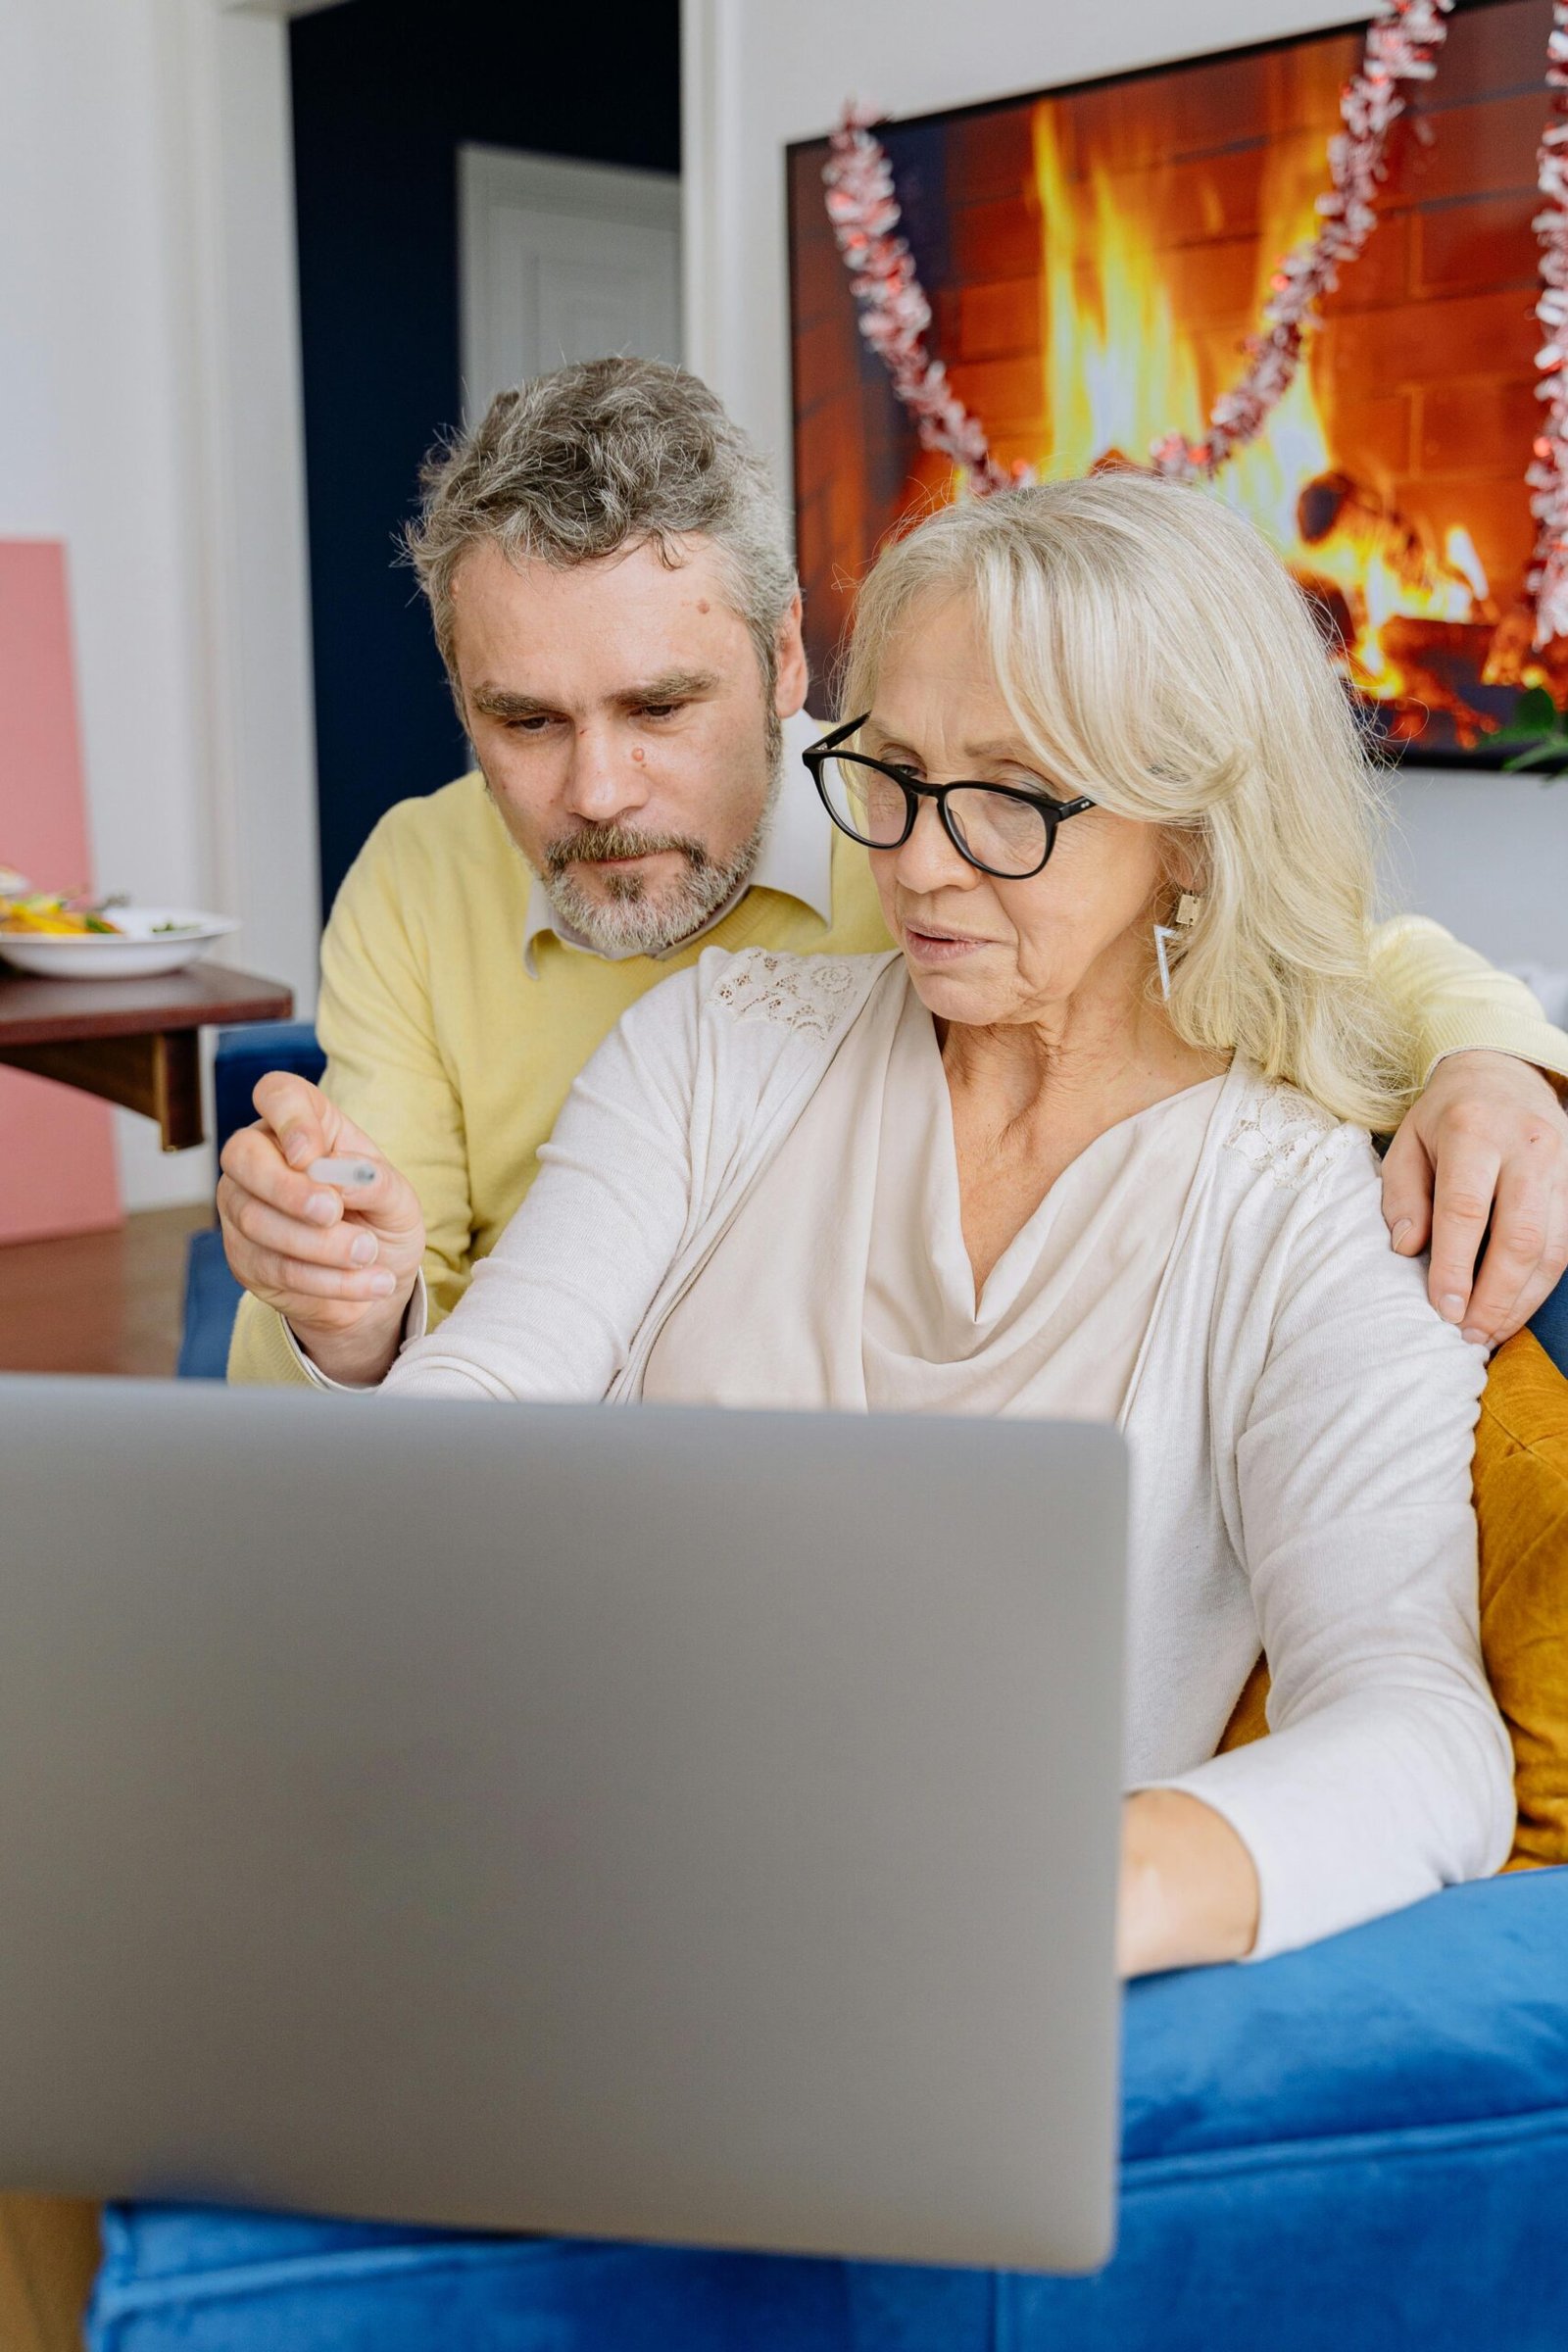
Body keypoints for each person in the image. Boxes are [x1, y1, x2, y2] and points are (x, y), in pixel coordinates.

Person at [294, 473, 1514, 1974]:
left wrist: (1079, 1892)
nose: (922, 861)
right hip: (539, 1873)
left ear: (1189, 832)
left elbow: (1422, 1737)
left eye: (1010, 797)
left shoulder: (1310, 1216)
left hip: (931, 1984)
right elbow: (487, 1390)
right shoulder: (714, 1048)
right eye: (893, 775)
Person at [219, 360, 1568, 1397]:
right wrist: (348, 1316)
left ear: (787, 661)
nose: (599, 791)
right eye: (524, 722)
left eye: (661, 708)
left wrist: (1496, 1063)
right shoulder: (425, 875)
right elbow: (430, 1351)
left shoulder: (942, 853)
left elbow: (1331, 947)